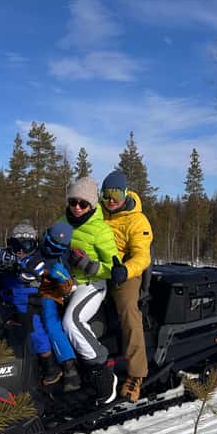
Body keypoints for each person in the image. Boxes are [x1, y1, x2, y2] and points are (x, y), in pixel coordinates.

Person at [58, 176, 120, 403]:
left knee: (72, 322)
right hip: (65, 281)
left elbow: (114, 268)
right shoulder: (62, 222)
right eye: (73, 201)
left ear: (92, 205)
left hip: (91, 285)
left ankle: (102, 372)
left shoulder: (100, 230)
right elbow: (50, 242)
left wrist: (89, 266)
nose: (76, 207)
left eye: (82, 204)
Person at [0, 221, 77, 388]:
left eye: (27, 245)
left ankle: (53, 366)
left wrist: (22, 264)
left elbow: (36, 270)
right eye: (17, 245)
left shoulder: (36, 260)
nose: (21, 250)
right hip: (11, 298)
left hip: (34, 301)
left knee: (38, 329)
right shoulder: (14, 256)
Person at [99, 170, 153, 402]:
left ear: (124, 193)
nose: (111, 200)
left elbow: (143, 257)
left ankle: (136, 374)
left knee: (128, 310)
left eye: (116, 194)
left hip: (126, 273)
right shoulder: (99, 212)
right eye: (106, 194)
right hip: (98, 268)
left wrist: (125, 270)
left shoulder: (136, 219)